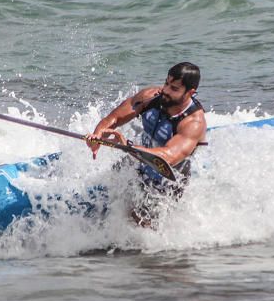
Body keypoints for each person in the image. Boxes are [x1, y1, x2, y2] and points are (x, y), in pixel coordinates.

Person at [86, 63, 207, 225]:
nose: (166, 90)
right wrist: (98, 135)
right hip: (136, 162)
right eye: (166, 83)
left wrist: (127, 145)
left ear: (190, 92)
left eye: (175, 89)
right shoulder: (150, 97)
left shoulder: (193, 122)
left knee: (140, 223)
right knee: (103, 197)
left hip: (167, 179)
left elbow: (169, 156)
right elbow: (114, 118)